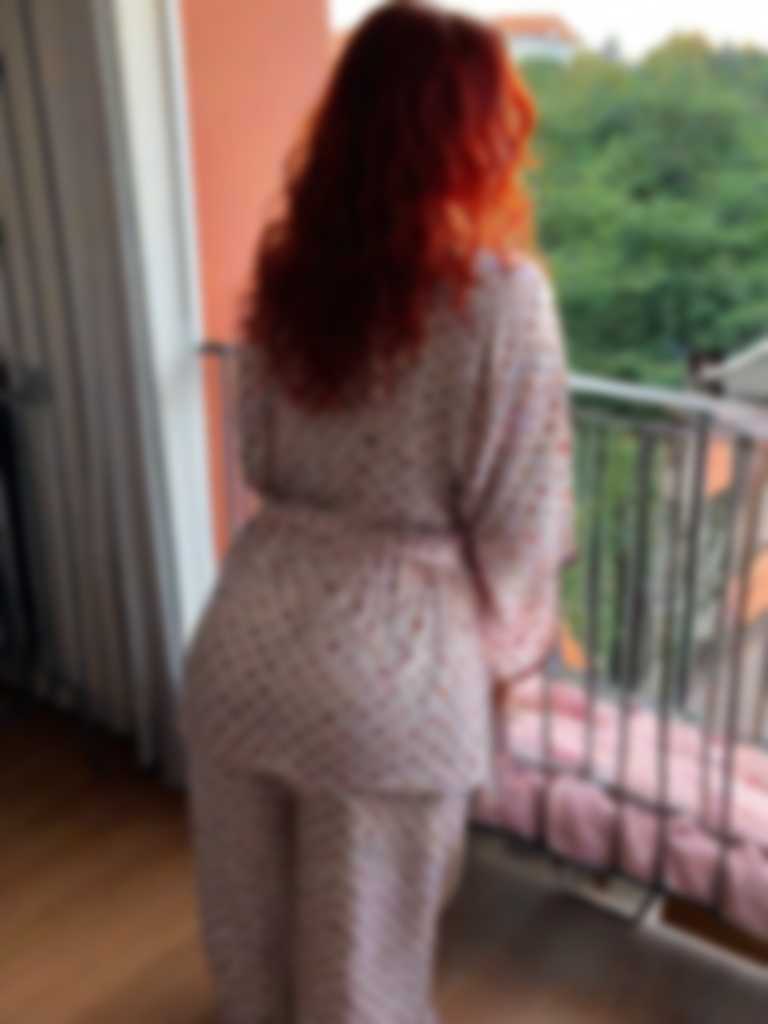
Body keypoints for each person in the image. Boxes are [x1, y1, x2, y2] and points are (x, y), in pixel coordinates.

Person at [181, 3, 573, 1022]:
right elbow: (523, 529)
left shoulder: (286, 278)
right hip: (391, 685)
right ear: (474, 137)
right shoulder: (500, 300)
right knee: (361, 983)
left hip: (243, 647)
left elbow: (259, 455)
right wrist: (510, 655)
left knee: (252, 952)